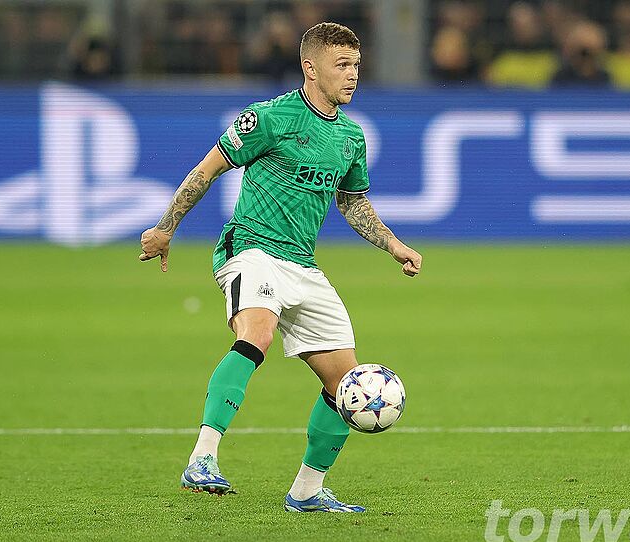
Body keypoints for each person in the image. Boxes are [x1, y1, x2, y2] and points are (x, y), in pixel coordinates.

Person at [138, 22, 422, 513]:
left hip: (303, 266)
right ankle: (202, 458)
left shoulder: (351, 137)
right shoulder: (270, 118)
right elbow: (208, 168)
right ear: (310, 68)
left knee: (347, 385)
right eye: (341, 65)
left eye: (356, 65)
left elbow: (352, 202)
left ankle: (307, 491)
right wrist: (166, 227)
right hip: (251, 249)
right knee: (258, 335)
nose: (352, 75)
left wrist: (393, 245)